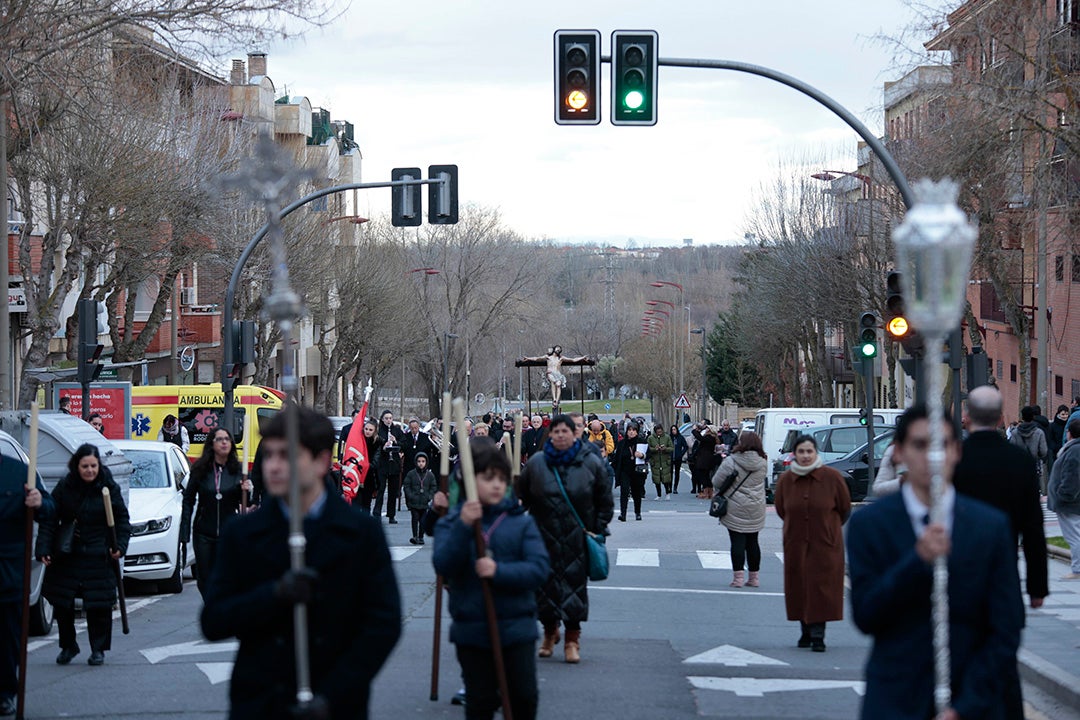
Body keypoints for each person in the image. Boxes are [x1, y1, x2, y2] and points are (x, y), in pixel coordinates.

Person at [201, 406, 400, 720]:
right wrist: (274, 594)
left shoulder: (361, 533)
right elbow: (213, 620)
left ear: (321, 462)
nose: (275, 467)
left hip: (335, 703)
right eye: (270, 455)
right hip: (261, 701)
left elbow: (383, 624)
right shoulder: (243, 533)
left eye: (288, 456)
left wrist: (332, 695)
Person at [846, 405, 1024, 720]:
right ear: (898, 453)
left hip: (974, 700)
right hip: (895, 700)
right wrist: (917, 561)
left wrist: (966, 706)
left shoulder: (989, 526)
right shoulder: (870, 526)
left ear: (957, 451)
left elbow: (1005, 629)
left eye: (942, 446)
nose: (932, 457)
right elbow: (867, 614)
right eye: (920, 445)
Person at [434, 438, 550, 720]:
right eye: (488, 478)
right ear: (470, 480)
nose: (497, 485)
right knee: (480, 701)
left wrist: (499, 571)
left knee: (523, 697)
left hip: (517, 626)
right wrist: (463, 526)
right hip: (472, 627)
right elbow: (443, 563)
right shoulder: (452, 522)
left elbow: (539, 568)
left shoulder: (520, 521)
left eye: (501, 478)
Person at [515, 414, 612, 664]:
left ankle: (572, 640)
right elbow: (520, 497)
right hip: (542, 536)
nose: (559, 435)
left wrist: (597, 528)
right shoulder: (537, 463)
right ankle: (549, 633)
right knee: (544, 589)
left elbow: (604, 499)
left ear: (574, 434)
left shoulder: (590, 462)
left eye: (564, 431)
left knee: (574, 590)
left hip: (576, 538)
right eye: (555, 431)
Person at [36, 444, 129, 666]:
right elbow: (50, 518)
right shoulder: (66, 486)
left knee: (99, 605)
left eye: (93, 466)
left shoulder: (108, 487)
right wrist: (44, 548)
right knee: (61, 602)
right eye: (85, 466)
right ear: (77, 466)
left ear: (99, 465)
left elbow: (122, 520)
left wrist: (120, 547)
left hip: (99, 553)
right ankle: (68, 645)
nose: (89, 470)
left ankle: (98, 649)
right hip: (69, 552)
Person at [773, 433, 850, 652]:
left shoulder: (832, 478)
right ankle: (804, 630)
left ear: (816, 453)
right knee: (799, 586)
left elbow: (844, 509)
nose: (806, 456)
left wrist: (827, 528)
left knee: (821, 588)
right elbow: (781, 508)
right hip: (796, 542)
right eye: (801, 452)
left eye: (809, 451)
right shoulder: (786, 480)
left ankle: (818, 634)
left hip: (825, 544)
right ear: (794, 454)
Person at [1, 450, 53, 715]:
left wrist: (39, 502)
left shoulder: (19, 472)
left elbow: (50, 510)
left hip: (7, 575)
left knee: (7, 639)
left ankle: (5, 691)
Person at [180, 427, 251, 598]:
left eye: (227, 439)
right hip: (204, 532)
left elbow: (244, 504)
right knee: (205, 578)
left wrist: (246, 491)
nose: (224, 442)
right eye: (220, 439)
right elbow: (188, 500)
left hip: (228, 533)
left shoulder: (238, 471)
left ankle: (223, 609)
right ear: (212, 444)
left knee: (227, 576)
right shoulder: (200, 470)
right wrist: (184, 532)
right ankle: (211, 605)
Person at [712, 431, 767, 588]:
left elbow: (716, 481)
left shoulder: (731, 461)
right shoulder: (763, 463)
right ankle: (754, 578)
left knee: (737, 541)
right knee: (753, 542)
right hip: (756, 506)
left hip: (735, 505)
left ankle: (738, 579)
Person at [1048, 419, 1080, 580]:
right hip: (1071, 501)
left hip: (1069, 503)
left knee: (1073, 536)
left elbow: (1072, 477)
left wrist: (1063, 496)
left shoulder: (1074, 450)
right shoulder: (1074, 449)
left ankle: (1078, 569)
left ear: (1070, 433)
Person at [519, 346, 588, 410]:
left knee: (558, 385)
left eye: (559, 349)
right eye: (557, 348)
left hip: (558, 373)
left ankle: (556, 400)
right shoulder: (548, 357)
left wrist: (582, 358)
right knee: (553, 382)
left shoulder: (561, 358)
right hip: (550, 372)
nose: (558, 350)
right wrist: (528, 358)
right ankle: (554, 398)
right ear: (554, 349)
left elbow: (573, 360)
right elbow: (537, 358)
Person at [612, 423, 648, 521]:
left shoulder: (641, 442)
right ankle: (623, 514)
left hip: (637, 471)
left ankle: (638, 512)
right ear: (627, 431)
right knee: (624, 492)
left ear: (637, 431)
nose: (631, 432)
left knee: (636, 492)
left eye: (634, 430)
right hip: (625, 471)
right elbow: (617, 457)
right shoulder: (622, 443)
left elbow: (648, 455)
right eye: (629, 430)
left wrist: (642, 455)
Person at [1010, 406, 1048, 493]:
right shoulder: (1039, 433)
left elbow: (1011, 448)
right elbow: (1044, 451)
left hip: (1019, 465)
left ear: (1022, 417)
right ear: (1033, 417)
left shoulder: (1015, 432)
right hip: (1034, 464)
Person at [375, 410, 403, 524]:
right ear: (382, 419)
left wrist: (395, 441)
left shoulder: (397, 430)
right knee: (381, 489)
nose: (388, 420)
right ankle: (377, 513)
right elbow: (375, 445)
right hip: (382, 464)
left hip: (394, 464)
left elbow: (403, 444)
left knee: (393, 491)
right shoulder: (379, 431)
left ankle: (391, 515)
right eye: (386, 418)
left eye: (390, 418)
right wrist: (384, 445)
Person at [403, 451, 437, 545]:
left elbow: (433, 486)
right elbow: (406, 485)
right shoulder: (411, 474)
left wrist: (429, 496)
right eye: (419, 461)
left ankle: (421, 536)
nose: (421, 463)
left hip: (424, 501)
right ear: (416, 462)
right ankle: (415, 536)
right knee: (414, 518)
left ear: (426, 462)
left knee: (422, 520)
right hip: (414, 501)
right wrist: (410, 495)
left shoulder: (430, 475)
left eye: (423, 461)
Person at [690, 422, 718, 498]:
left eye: (707, 428)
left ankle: (707, 491)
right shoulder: (709, 437)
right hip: (704, 459)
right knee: (705, 475)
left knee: (703, 475)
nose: (706, 429)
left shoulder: (710, 437)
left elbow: (700, 438)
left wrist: (694, 430)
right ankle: (708, 491)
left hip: (705, 460)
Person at [647, 423, 673, 500]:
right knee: (657, 479)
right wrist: (655, 449)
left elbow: (671, 448)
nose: (659, 433)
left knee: (666, 478)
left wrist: (665, 449)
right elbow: (647, 449)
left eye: (661, 432)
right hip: (655, 461)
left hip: (665, 461)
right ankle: (659, 494)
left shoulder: (667, 437)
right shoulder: (650, 438)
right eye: (658, 432)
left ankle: (667, 493)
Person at [1048, 404, 1071, 474]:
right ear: (1058, 414)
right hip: (1056, 453)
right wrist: (1055, 448)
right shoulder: (1052, 426)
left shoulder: (1070, 424)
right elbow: (1050, 439)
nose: (1065, 416)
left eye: (1066, 414)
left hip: (1068, 452)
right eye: (1063, 414)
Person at [670, 425, 688, 494]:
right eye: (672, 430)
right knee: (670, 473)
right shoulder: (669, 438)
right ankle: (669, 487)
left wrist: (681, 454)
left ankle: (675, 487)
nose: (673, 431)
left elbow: (685, 446)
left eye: (674, 429)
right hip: (671, 457)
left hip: (678, 458)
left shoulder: (680, 437)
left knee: (677, 473)